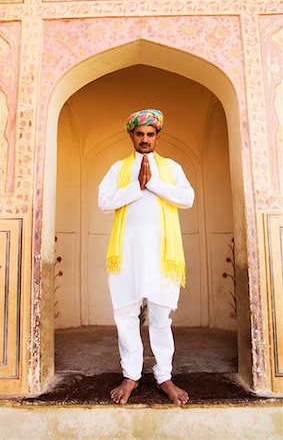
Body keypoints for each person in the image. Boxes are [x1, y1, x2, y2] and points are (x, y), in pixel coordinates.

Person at [98, 109, 194, 405]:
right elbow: (104, 202)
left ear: (157, 137)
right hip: (126, 254)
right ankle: (131, 375)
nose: (144, 139)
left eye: (150, 134)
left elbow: (187, 199)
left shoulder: (172, 168)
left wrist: (152, 183)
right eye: (139, 134)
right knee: (125, 314)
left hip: (162, 255)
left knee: (160, 316)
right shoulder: (118, 169)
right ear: (131, 136)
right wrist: (135, 186)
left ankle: (164, 376)